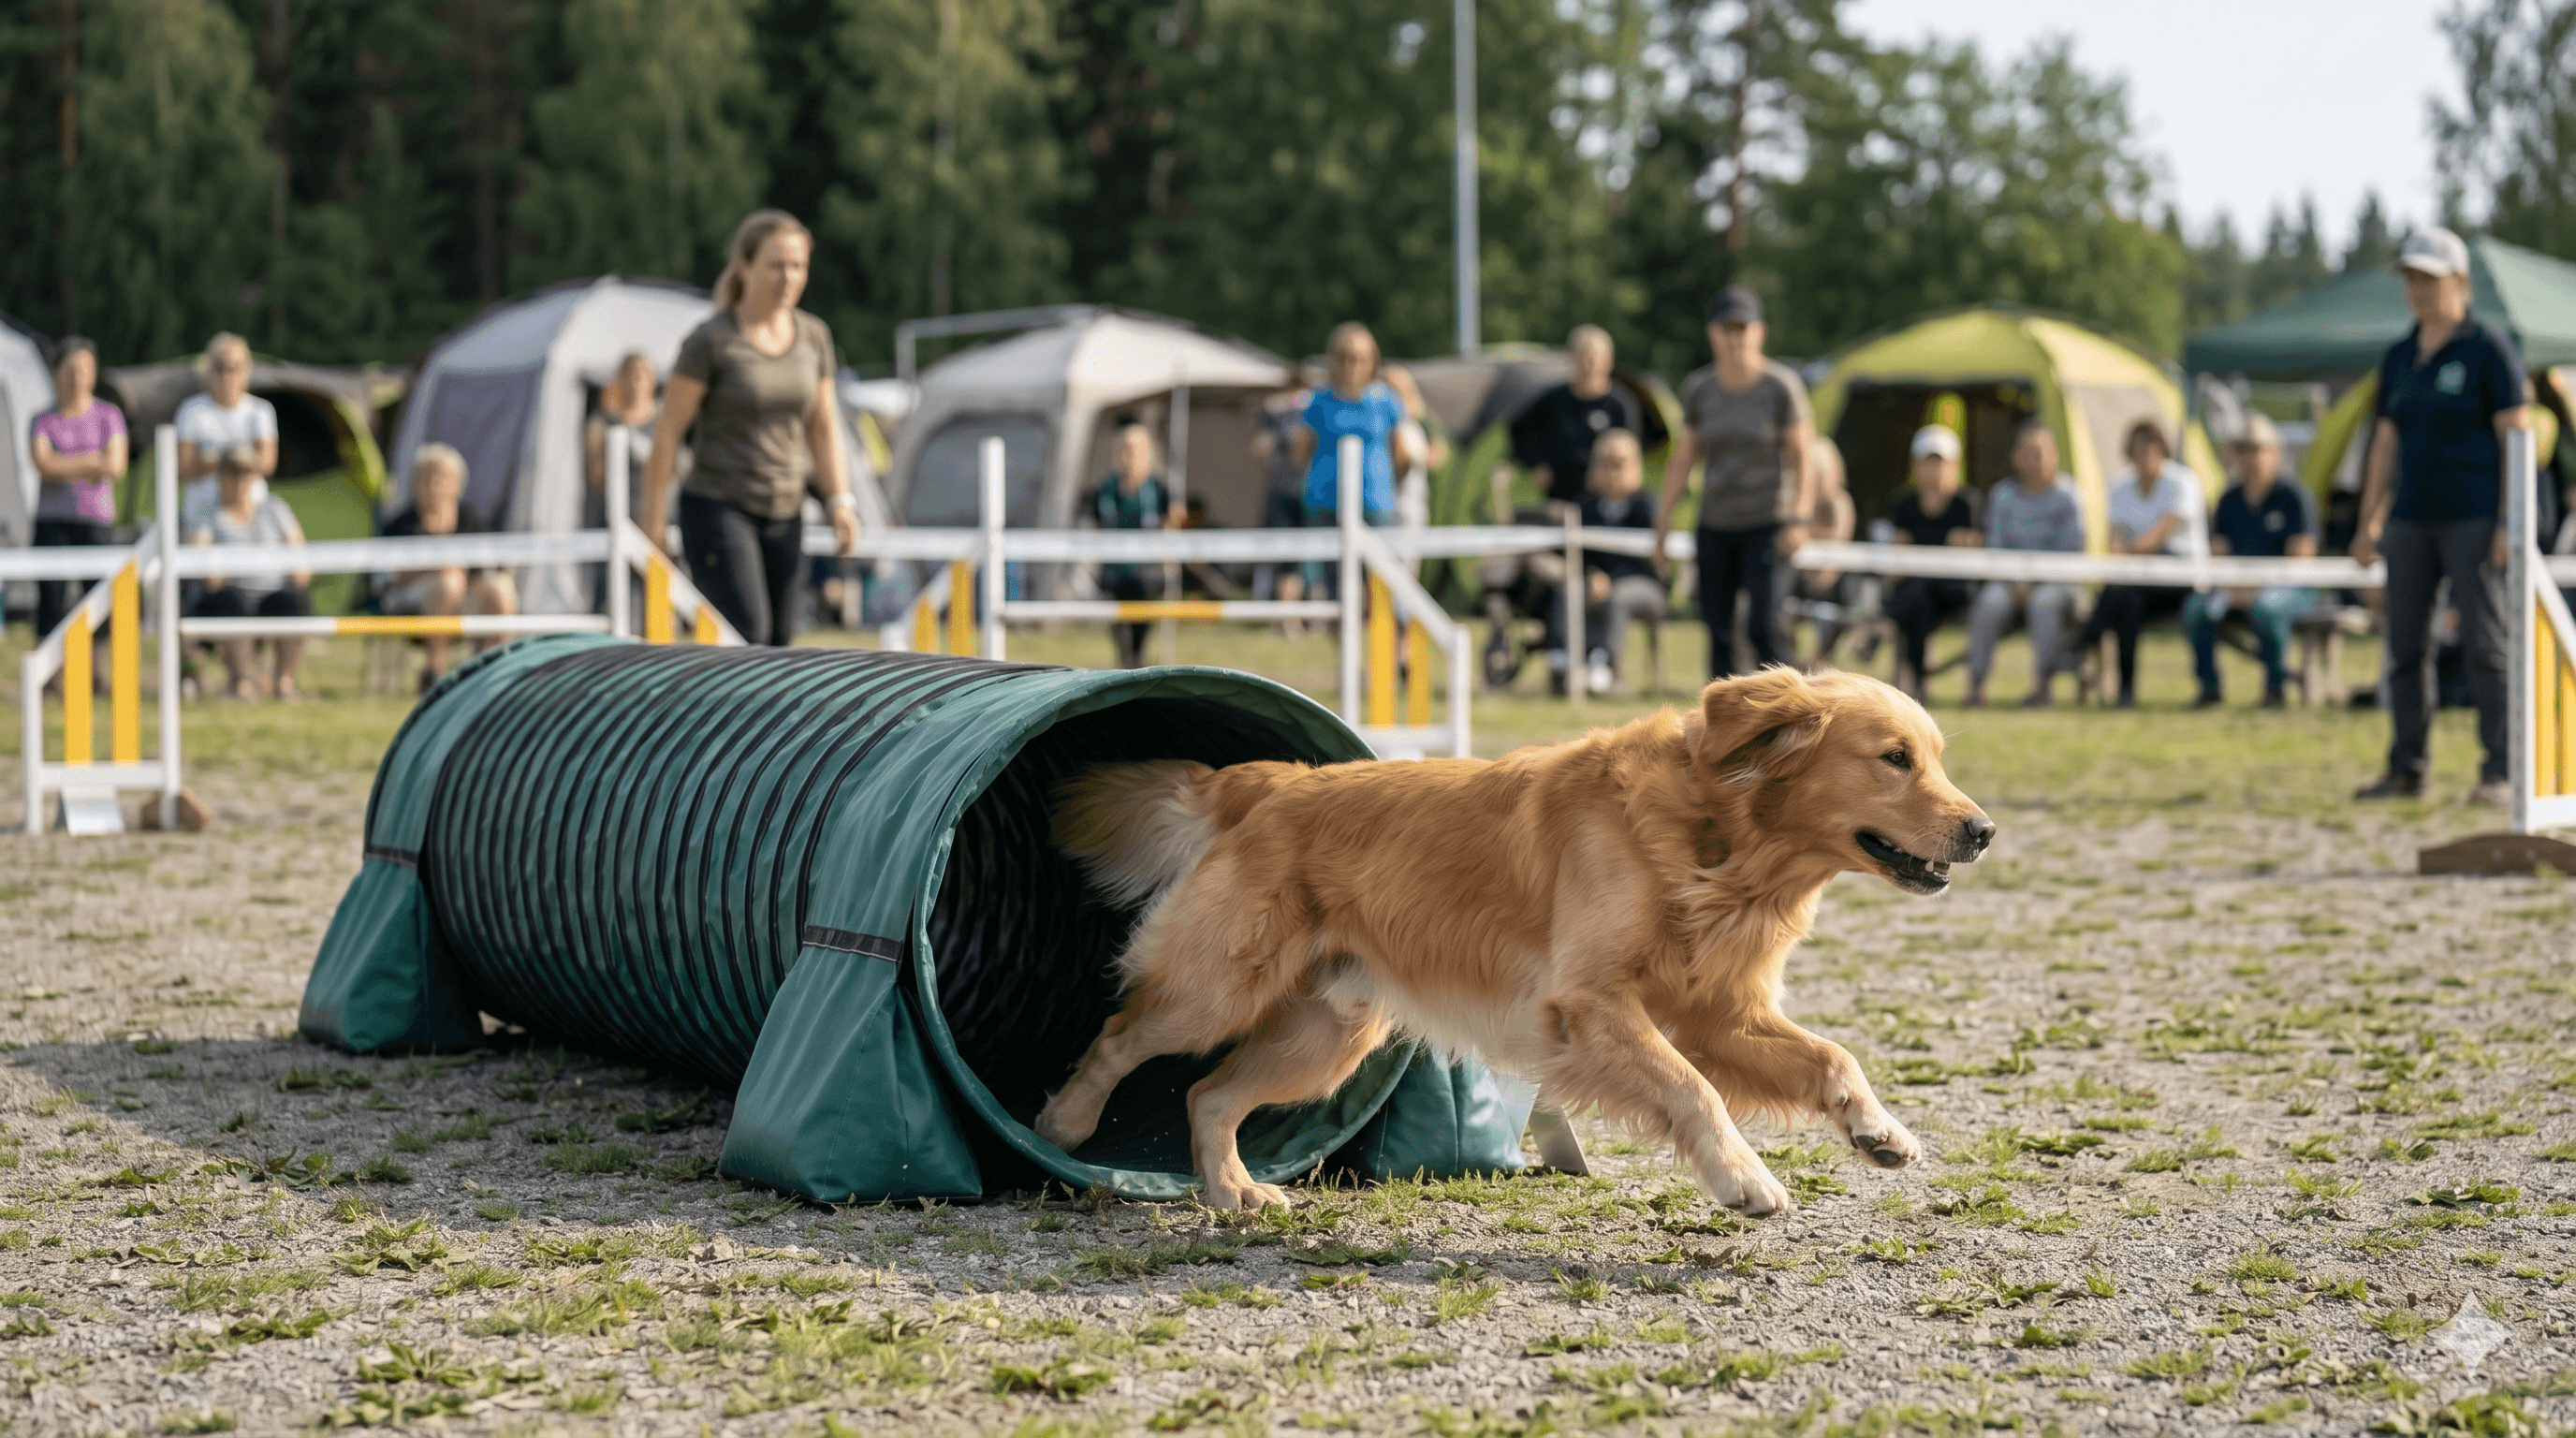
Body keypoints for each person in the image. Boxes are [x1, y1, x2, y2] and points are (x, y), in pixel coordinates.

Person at [2350, 227, 2531, 804]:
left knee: (2485, 645)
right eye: (2411, 280)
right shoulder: (2400, 356)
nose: (2418, 291)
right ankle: (2408, 768)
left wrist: (2510, 522)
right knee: (2404, 648)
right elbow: (2383, 444)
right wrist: (2368, 521)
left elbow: (2517, 438)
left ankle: (2500, 769)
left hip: (2476, 518)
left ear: (2460, 283)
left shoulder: (2489, 349)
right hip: (2410, 520)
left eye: (2429, 280)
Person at [638, 210, 860, 646]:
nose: (788, 277)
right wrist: (654, 523)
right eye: (776, 265)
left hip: (785, 507)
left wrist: (840, 500)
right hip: (718, 504)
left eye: (798, 266)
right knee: (748, 635)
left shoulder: (814, 336)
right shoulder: (711, 340)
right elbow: (666, 435)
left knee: (780, 642)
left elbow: (823, 428)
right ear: (745, 266)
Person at [1651, 286, 1816, 680]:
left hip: (1768, 521)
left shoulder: (1780, 386)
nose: (1735, 337)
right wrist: (1662, 524)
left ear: (1759, 332)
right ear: (1712, 334)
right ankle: (1725, 726)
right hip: (1716, 522)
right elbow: (1682, 461)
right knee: (1717, 629)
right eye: (1727, 328)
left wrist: (1799, 518)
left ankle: (1793, 715)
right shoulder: (1700, 389)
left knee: (1766, 626)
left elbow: (1803, 457)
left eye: (1743, 327)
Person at [2185, 414, 2317, 709]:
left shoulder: (2295, 497)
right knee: (2197, 609)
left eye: (2257, 448)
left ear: (2275, 453)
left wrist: (2256, 587)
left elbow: (2301, 558)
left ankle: (2275, 687)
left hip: (2292, 589)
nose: (2249, 456)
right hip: (2235, 589)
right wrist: (2233, 587)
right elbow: (2217, 555)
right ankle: (2209, 688)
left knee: (2267, 607)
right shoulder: (2228, 500)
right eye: (2242, 448)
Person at [2073, 419, 2208, 707]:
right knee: (2128, 602)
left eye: (2150, 447)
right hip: (2139, 583)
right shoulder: (2120, 486)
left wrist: (2127, 552)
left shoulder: (2184, 481)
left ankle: (2086, 638)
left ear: (2162, 450)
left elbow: (2159, 536)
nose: (2144, 455)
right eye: (2138, 448)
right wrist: (2124, 552)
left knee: (2124, 595)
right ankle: (2125, 688)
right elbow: (2114, 541)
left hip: (2182, 582)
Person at [1966, 420, 2086, 707]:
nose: (2037, 459)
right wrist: (2017, 581)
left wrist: (2034, 581)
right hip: (2009, 581)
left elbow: (2072, 549)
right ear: (2016, 457)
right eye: (2029, 451)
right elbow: (1995, 547)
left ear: (2055, 455)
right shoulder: (2002, 495)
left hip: (2060, 582)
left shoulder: (2069, 496)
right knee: (1989, 603)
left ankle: (2044, 685)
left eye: (2042, 451)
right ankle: (1976, 683)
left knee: (2044, 603)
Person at [381, 444, 520, 689]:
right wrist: (442, 567)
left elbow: (491, 561)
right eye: (425, 477)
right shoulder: (404, 523)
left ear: (457, 483)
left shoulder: (470, 518)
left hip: (467, 595)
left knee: (500, 587)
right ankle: (433, 672)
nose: (432, 484)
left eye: (440, 477)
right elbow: (393, 575)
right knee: (448, 582)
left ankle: (492, 666)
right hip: (413, 600)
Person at [1290, 323, 1406, 594]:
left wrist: (1384, 479)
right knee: (1334, 584)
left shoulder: (1387, 401)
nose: (1352, 366)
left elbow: (1402, 453)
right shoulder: (1317, 401)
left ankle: (1394, 636)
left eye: (1361, 358)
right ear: (1333, 359)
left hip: (1375, 501)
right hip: (1326, 501)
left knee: (1384, 581)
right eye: (1345, 358)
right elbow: (1299, 452)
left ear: (1373, 361)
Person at [186, 445, 310, 700]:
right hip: (232, 593)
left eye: (247, 471)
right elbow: (207, 572)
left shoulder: (274, 508)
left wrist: (296, 570)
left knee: (294, 601)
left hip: (271, 592)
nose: (241, 479)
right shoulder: (208, 513)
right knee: (228, 602)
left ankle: (283, 682)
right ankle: (242, 680)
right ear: (220, 476)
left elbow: (300, 560)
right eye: (233, 471)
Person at [28, 337, 127, 643]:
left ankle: (96, 670)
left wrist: (66, 464)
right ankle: (51, 673)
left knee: (98, 597)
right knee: (51, 597)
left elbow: (115, 466)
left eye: (85, 369)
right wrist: (91, 460)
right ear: (57, 373)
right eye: (71, 369)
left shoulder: (109, 416)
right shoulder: (43, 419)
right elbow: (44, 465)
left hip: (94, 520)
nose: (78, 377)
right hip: (52, 521)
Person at [1882, 426, 1982, 701]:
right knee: (1919, 599)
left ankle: (1883, 626)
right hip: (1919, 593)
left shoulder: (1967, 503)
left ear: (1954, 465)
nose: (1934, 468)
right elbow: (1898, 555)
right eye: (1928, 460)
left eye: (1940, 461)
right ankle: (1918, 682)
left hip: (1955, 590)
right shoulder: (1903, 504)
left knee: (1916, 591)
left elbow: (1973, 550)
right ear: (1916, 464)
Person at [1571, 429, 1665, 695]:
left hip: (1644, 585)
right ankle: (1565, 665)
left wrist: (1610, 579)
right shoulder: (1585, 504)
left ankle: (1610, 671)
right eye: (1605, 462)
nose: (1612, 470)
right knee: (1570, 592)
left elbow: (1650, 562)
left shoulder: (1646, 505)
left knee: (1619, 597)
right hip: (1596, 580)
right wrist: (1592, 573)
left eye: (1620, 463)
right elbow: (1579, 554)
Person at [1510, 326, 1640, 506]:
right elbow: (1517, 430)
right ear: (1570, 359)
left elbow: (1630, 453)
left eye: (1594, 359)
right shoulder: (1551, 400)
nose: (1588, 365)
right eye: (1582, 357)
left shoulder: (1620, 405)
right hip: (1559, 495)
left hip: (1604, 501)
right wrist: (1536, 464)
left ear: (1608, 362)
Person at [1090, 421, 1181, 669]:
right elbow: (1098, 524)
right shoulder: (1106, 487)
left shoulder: (1158, 488)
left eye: (1137, 450)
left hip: (1147, 571)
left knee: (1143, 623)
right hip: (1115, 569)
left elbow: (1170, 523)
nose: (1131, 456)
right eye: (1126, 449)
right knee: (1119, 626)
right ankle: (1125, 664)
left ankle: (1137, 663)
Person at [173, 333, 277, 528]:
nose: (227, 376)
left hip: (251, 515)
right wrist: (238, 462)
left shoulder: (261, 411)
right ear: (208, 370)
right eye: (220, 368)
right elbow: (184, 467)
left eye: (235, 368)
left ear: (247, 370)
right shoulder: (191, 411)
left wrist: (213, 461)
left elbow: (267, 463)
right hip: (201, 517)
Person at [1795, 435, 1859, 665]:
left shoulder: (1839, 503)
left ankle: (1819, 658)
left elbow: (1837, 540)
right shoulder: (1800, 502)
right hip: (1801, 578)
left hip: (1831, 580)